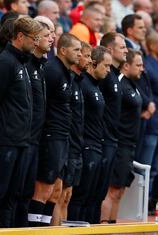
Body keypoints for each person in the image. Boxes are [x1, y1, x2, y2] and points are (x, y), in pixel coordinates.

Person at [0, 17, 42, 228]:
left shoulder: (22, 62)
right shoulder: (5, 62)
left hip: (22, 139)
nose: (36, 42)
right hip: (5, 138)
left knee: (13, 194)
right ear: (20, 36)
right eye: (34, 38)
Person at [29, 33, 81, 227]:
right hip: (51, 135)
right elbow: (41, 102)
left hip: (63, 135)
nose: (79, 54)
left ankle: (45, 230)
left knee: (57, 190)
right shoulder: (52, 70)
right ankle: (34, 232)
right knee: (44, 187)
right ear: (63, 50)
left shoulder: (67, 73)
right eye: (76, 50)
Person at [16, 21, 53, 227]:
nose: (50, 38)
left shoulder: (41, 66)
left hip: (37, 136)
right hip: (24, 135)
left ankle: (27, 231)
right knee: (19, 188)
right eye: (45, 35)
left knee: (27, 189)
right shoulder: (26, 65)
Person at [68, 46, 110, 223]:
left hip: (96, 145)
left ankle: (92, 233)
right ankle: (75, 234)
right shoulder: (83, 84)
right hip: (86, 146)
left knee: (94, 195)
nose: (108, 70)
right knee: (81, 195)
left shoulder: (95, 86)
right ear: (93, 64)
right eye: (106, 66)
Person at [52, 41, 91, 226]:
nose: (88, 60)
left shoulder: (76, 81)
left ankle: (63, 234)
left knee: (67, 194)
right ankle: (51, 233)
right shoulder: (62, 76)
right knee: (57, 193)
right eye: (84, 54)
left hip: (75, 143)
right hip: (62, 141)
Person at [103, 48, 143, 224]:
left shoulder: (133, 85)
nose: (142, 68)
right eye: (138, 65)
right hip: (119, 143)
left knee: (120, 191)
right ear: (126, 66)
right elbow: (112, 112)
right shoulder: (119, 83)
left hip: (130, 144)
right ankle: (103, 227)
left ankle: (112, 227)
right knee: (111, 190)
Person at [98, 32, 128, 224]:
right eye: (122, 46)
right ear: (110, 49)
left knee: (106, 187)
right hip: (102, 139)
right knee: (102, 189)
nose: (126, 50)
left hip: (114, 139)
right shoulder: (105, 77)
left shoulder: (117, 76)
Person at [135, 32, 158, 195]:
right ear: (153, 46)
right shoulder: (147, 65)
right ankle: (139, 204)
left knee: (155, 168)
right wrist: (147, 105)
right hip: (151, 123)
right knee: (145, 167)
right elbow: (140, 87)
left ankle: (147, 201)